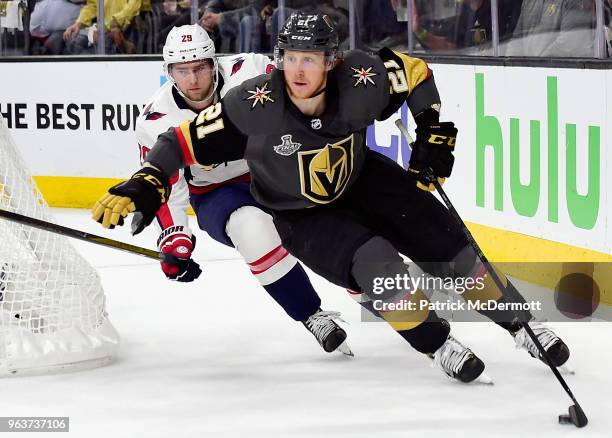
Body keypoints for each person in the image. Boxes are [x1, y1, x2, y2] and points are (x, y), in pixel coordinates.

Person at [93, 12, 571, 383]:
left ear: (332, 61)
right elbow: (179, 142)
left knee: (454, 253)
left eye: (310, 58)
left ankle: (523, 326)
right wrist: (148, 183)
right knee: (379, 267)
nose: (298, 70)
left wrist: (431, 130)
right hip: (299, 212)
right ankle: (436, 343)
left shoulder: (361, 77)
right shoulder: (253, 103)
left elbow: (417, 72)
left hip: (363, 178)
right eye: (290, 58)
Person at [134, 24, 351, 356]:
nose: (193, 80)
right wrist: (176, 238)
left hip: (277, 171)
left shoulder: (249, 70)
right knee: (251, 229)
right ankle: (311, 314)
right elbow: (168, 186)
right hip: (217, 193)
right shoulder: (155, 119)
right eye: (182, 71)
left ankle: (367, 287)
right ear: (168, 72)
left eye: (200, 68)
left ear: (214, 63)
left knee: (331, 228)